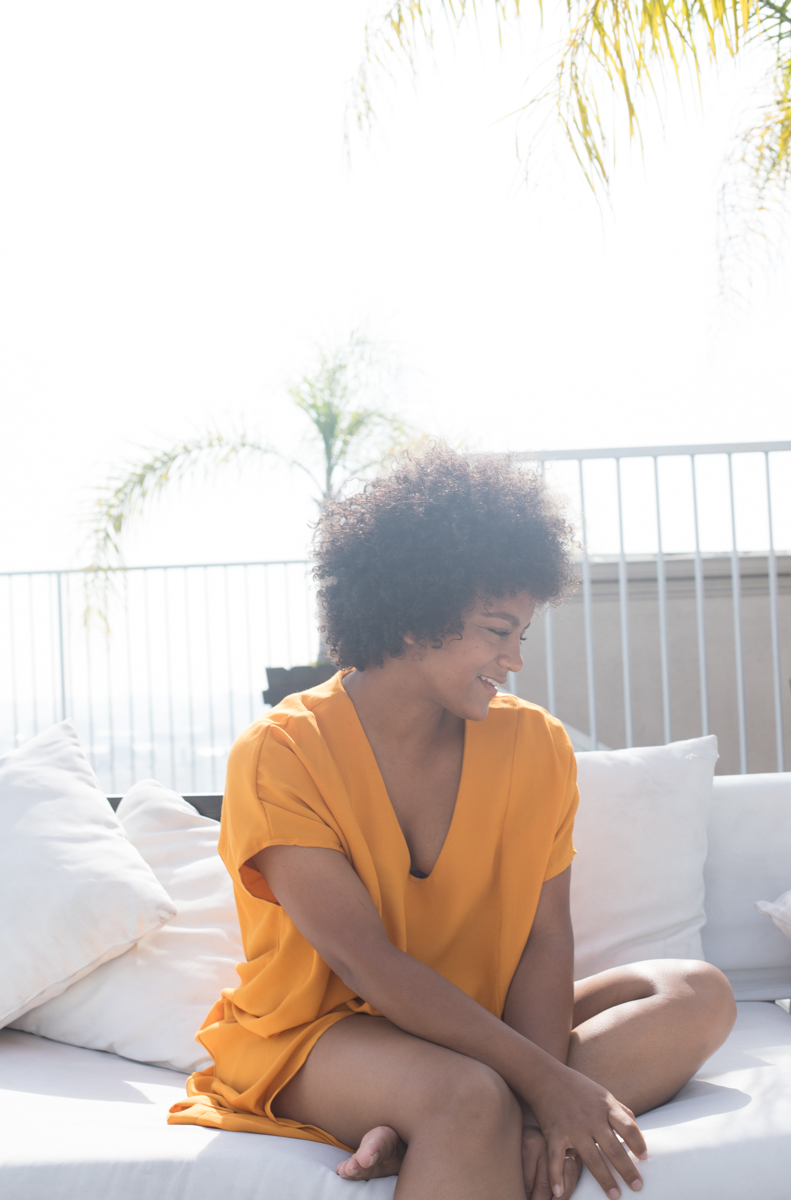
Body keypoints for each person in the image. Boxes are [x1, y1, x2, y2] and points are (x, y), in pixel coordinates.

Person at [168, 446, 736, 1200]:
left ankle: (452, 1127)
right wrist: (545, 1079)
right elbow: (363, 960)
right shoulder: (282, 751)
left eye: (521, 635)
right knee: (468, 1097)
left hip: (479, 1017)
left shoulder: (536, 744)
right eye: (498, 631)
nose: (515, 660)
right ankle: (456, 1115)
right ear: (414, 616)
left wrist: (541, 1106)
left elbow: (543, 937)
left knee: (699, 993)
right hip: (318, 1033)